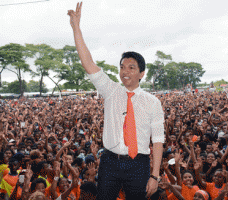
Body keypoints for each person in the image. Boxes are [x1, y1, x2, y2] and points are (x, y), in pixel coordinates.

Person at [67, 2, 164, 199]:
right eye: (122, 67)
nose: (124, 72)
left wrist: (155, 175)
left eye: (131, 67)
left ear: (141, 73)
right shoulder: (111, 90)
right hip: (110, 161)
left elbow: (159, 140)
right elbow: (88, 62)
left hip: (139, 163)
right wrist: (76, 28)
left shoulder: (152, 102)